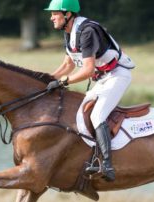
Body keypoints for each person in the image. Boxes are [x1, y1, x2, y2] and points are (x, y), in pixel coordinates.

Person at [45, 0, 135, 182]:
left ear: (67, 14)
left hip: (117, 75)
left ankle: (107, 165)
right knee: (79, 113)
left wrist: (63, 82)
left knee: (97, 116)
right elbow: (67, 65)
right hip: (103, 78)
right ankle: (91, 157)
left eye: (55, 13)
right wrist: (46, 80)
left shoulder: (87, 32)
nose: (51, 17)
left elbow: (86, 70)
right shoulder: (69, 32)